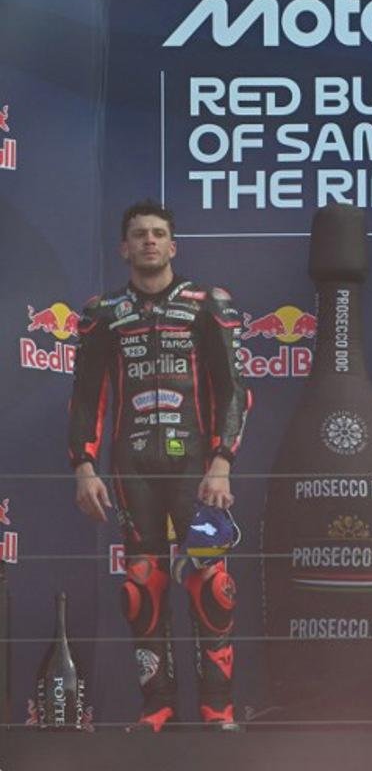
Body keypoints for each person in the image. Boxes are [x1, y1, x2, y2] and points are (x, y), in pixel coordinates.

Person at [68, 200, 251, 731]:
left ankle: (218, 711)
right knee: (142, 586)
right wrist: (83, 465)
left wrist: (222, 462)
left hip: (197, 468)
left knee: (210, 583)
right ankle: (158, 710)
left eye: (159, 233)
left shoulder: (205, 304)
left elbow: (233, 390)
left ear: (173, 245)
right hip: (132, 469)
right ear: (124, 248)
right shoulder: (102, 312)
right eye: (139, 235)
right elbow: (85, 399)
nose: (149, 241)